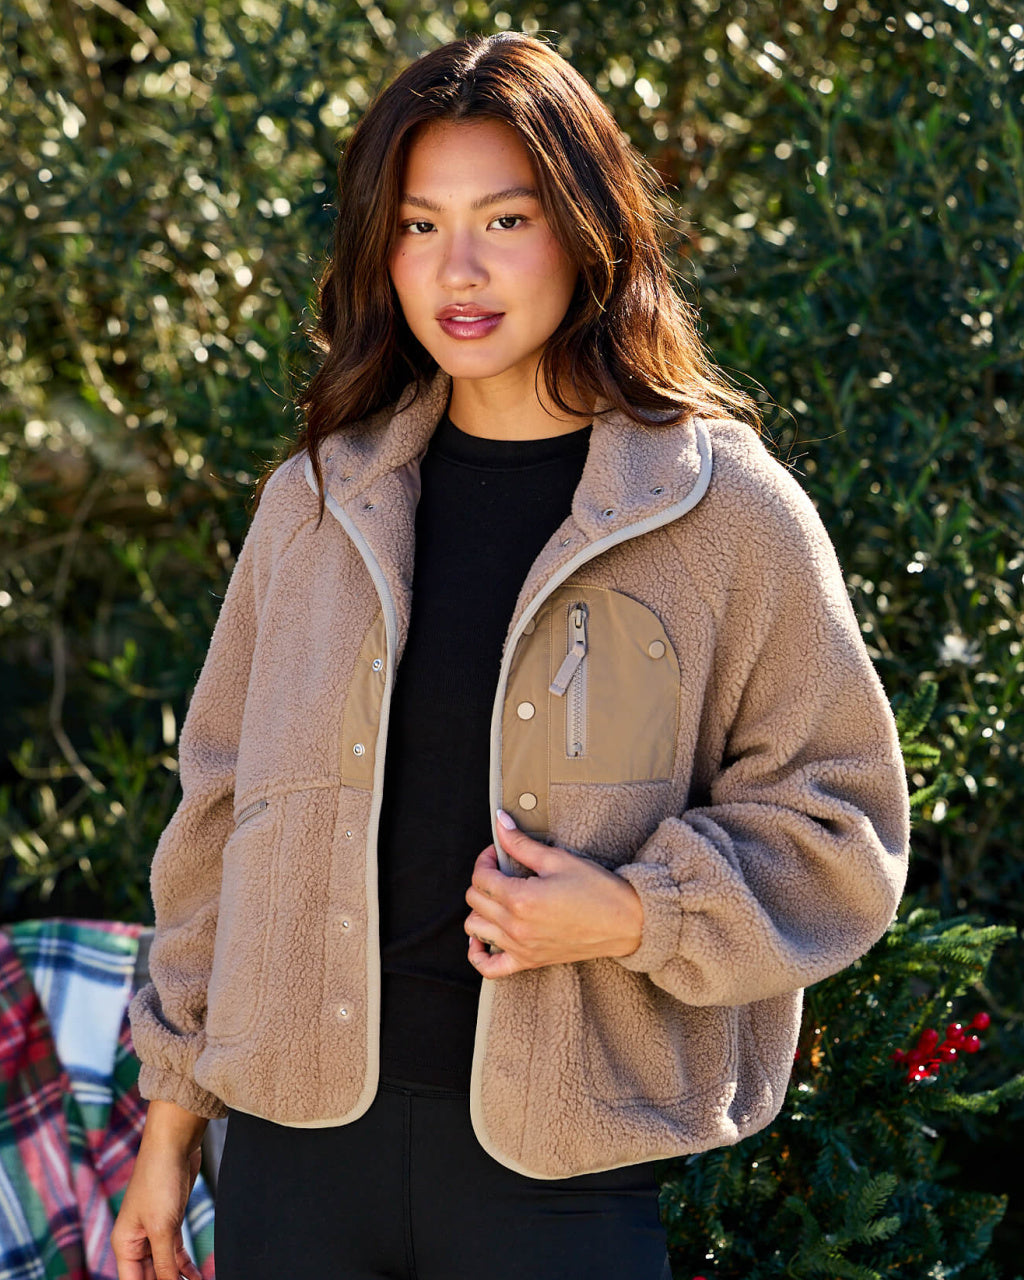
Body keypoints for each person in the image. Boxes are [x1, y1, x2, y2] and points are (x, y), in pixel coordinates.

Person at [112, 31, 910, 1280]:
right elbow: (217, 821)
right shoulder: (314, 504)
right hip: (290, 1162)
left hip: (560, 1187)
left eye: (505, 217)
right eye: (420, 225)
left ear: (585, 229)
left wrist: (636, 910)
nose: (459, 268)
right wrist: (170, 1122)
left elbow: (843, 825)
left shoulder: (722, 514)